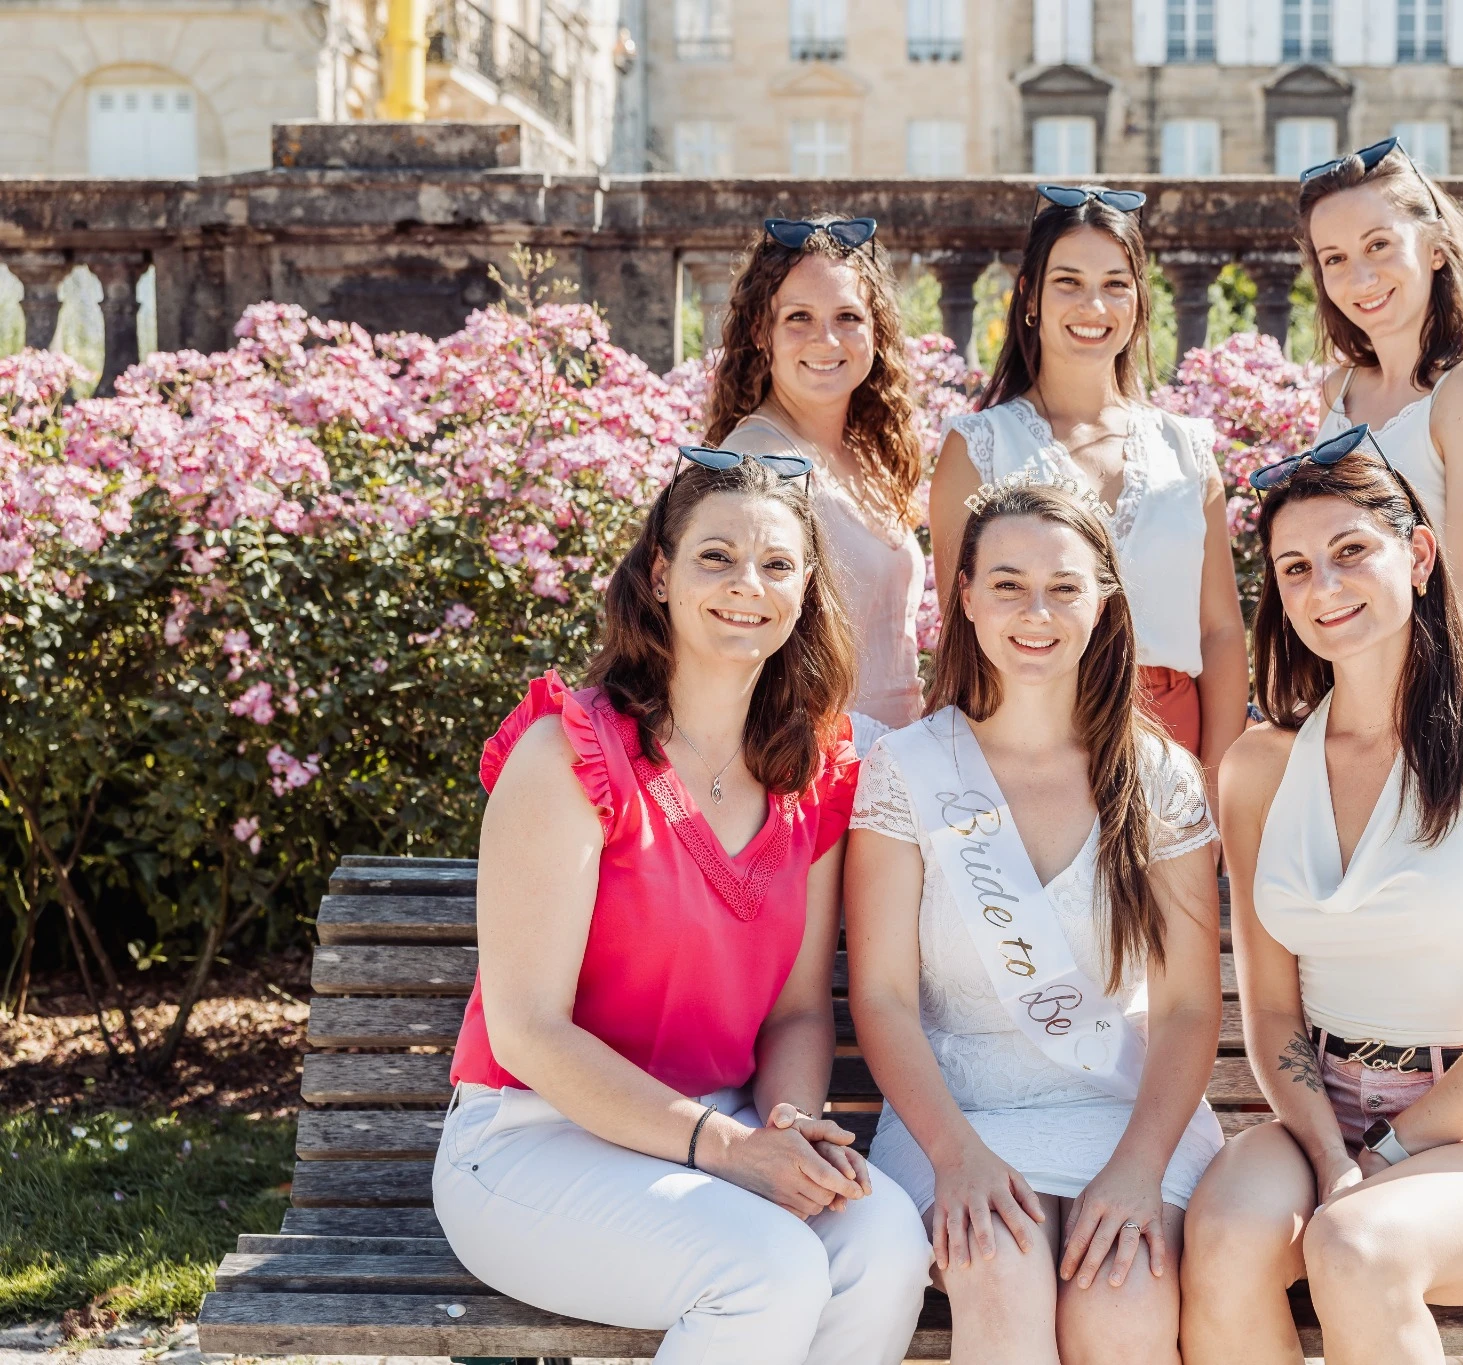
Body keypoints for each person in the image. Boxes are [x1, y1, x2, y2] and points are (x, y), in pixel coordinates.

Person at [432, 450, 931, 1365]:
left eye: (777, 565)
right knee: (766, 1269)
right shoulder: (569, 754)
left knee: (884, 1240)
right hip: (532, 1140)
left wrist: (786, 1132)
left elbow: (794, 1009)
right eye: (715, 558)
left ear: (806, 588)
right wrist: (731, 1151)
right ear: (659, 574)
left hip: (729, 1124)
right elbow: (530, 1033)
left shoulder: (812, 774)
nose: (748, 585)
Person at [1179, 445, 1463, 1365]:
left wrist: (1390, 1159)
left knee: (1354, 1244)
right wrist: (1334, 1155)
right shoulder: (1257, 768)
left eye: (1349, 552)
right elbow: (1274, 1010)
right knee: (1217, 1240)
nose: (1322, 584)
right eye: (1294, 568)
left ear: (1415, 557)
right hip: (1319, 1108)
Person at [846, 478, 1225, 1365]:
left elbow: (1183, 1010)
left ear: (1102, 600)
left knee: (1122, 1304)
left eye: (1063, 585)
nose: (1036, 610)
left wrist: (1137, 1166)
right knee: (1000, 1277)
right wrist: (956, 1156)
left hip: (1126, 1112)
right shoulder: (906, 769)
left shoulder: (1157, 776)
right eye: (1008, 583)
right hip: (957, 1112)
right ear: (966, 598)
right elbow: (884, 996)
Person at [928, 186, 1245, 775]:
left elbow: (1221, 630)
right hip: (1025, 741)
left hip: (1173, 741)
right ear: (1030, 296)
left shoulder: (1187, 450)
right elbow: (965, 633)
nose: (1093, 306)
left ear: (1139, 300)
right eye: (1068, 282)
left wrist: (1217, 783)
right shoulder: (979, 448)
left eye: (1115, 284)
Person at [1300, 136, 1463, 664]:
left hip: (1426, 707)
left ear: (1435, 248)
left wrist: (1421, 735)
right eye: (1334, 258)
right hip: (1335, 696)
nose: (1359, 276)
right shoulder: (1338, 391)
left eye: (1378, 245)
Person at [710, 214, 927, 743]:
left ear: (876, 329)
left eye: (848, 316)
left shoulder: (869, 454)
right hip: (813, 767)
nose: (826, 339)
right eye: (799, 317)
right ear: (762, 331)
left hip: (897, 763)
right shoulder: (756, 465)